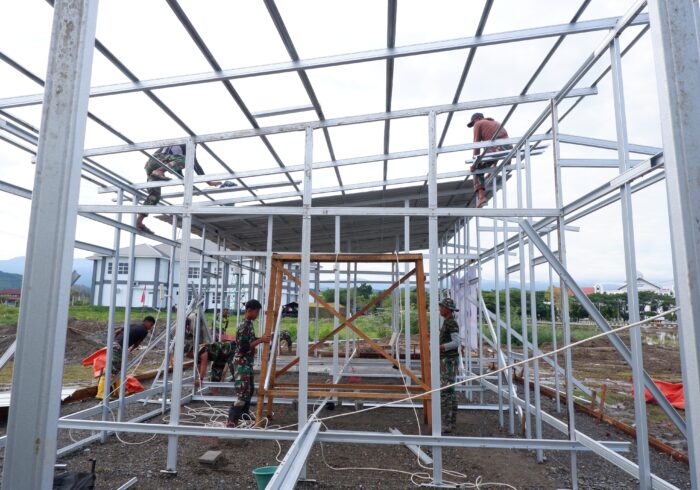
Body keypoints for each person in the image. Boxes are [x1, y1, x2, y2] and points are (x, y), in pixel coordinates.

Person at [136, 144, 230, 233]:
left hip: (150, 165)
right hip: (159, 160)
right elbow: (193, 164)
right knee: (186, 160)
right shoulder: (187, 144)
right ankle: (159, 171)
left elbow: (178, 168)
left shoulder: (177, 149)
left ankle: (139, 221)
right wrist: (209, 182)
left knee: (154, 196)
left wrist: (187, 184)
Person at [227, 299, 270, 427]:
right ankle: (232, 420)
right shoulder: (244, 326)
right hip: (241, 363)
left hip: (246, 363)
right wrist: (261, 340)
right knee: (243, 392)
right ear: (249, 310)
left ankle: (244, 414)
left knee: (249, 389)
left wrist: (261, 339)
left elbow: (249, 340)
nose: (257, 315)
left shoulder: (249, 324)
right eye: (256, 312)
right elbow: (244, 348)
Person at [467, 113, 512, 208]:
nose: (473, 125)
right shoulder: (495, 123)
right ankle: (507, 161)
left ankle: (482, 197)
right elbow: (496, 143)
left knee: (477, 170)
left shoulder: (478, 123)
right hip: (508, 148)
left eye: (473, 122)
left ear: (477, 119)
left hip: (497, 149)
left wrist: (475, 164)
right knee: (488, 153)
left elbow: (476, 145)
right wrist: (493, 166)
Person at [438, 298, 461, 433]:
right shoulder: (447, 322)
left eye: (442, 307)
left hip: (449, 361)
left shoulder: (451, 323)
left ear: (448, 309)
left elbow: (456, 342)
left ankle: (447, 424)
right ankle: (451, 422)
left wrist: (441, 347)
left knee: (446, 393)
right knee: (449, 392)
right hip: (447, 361)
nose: (440, 309)